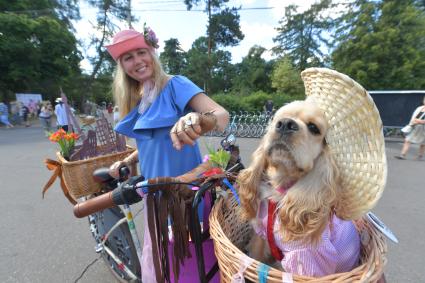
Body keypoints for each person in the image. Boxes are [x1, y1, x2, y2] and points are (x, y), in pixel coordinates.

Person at [105, 26, 229, 282]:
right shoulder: (140, 99)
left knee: (191, 267)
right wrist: (128, 159)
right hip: (154, 198)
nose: (137, 61)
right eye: (128, 57)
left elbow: (221, 116)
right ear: (122, 66)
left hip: (185, 196)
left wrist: (198, 119)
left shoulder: (175, 85)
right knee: (164, 265)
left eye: (141, 52)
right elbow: (152, 144)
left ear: (152, 52)